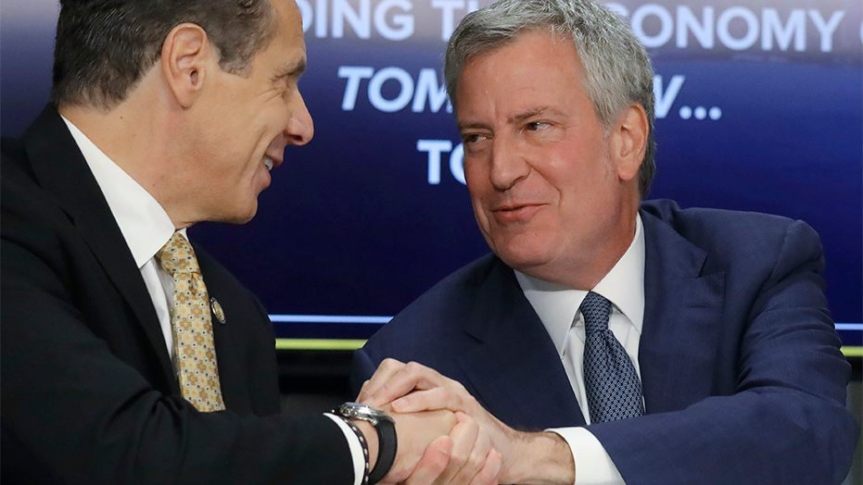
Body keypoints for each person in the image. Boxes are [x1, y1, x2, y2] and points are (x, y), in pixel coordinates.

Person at [351, 0, 860, 483]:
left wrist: (534, 455)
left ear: (626, 140)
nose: (500, 171)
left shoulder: (758, 264)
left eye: (536, 126)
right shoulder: (415, 360)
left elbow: (807, 432)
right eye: (476, 138)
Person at [1, 0, 502, 483]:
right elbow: (127, 454)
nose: (302, 125)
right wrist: (373, 443)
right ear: (188, 66)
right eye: (284, 82)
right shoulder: (12, 221)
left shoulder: (237, 320)